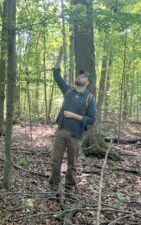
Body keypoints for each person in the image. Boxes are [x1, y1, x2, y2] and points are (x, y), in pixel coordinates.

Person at [49, 46, 97, 191]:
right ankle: (53, 185)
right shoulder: (68, 90)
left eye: (83, 77)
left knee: (72, 163)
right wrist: (60, 55)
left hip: (76, 135)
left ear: (87, 82)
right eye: (79, 76)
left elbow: (92, 119)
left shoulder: (90, 98)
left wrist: (74, 116)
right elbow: (57, 75)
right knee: (55, 161)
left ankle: (69, 187)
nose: (79, 77)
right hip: (61, 131)